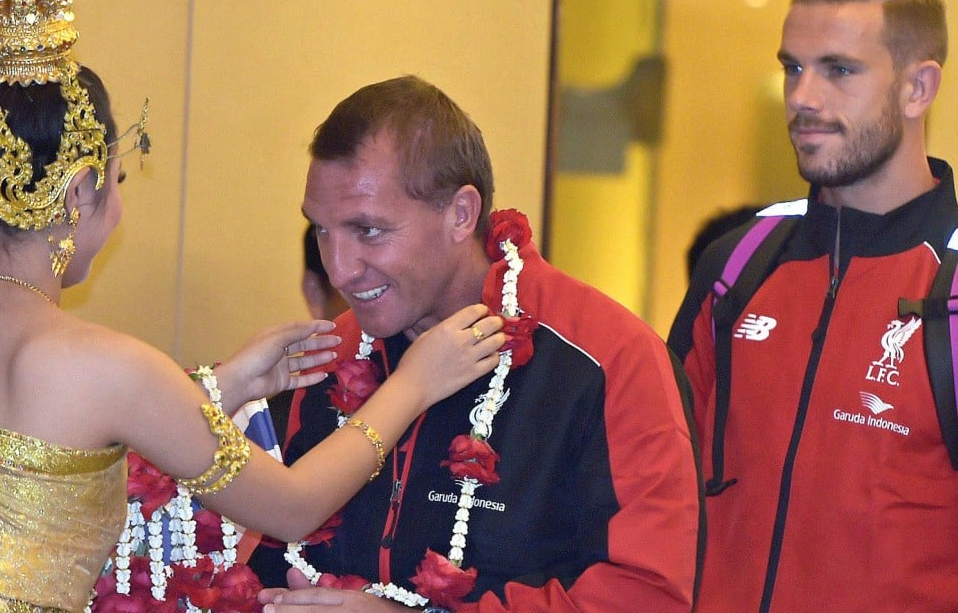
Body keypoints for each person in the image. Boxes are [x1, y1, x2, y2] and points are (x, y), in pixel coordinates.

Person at [0, 0, 505, 611]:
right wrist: (413, 384)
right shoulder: (104, 364)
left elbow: (62, 436)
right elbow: (292, 507)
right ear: (79, 192)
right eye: (118, 181)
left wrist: (225, 382)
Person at [250, 75, 701, 612]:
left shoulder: (609, 360)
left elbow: (646, 596)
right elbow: (255, 552)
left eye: (367, 230)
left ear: (461, 214)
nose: (340, 271)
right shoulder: (331, 355)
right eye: (322, 230)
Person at [668, 0, 958, 611]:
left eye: (839, 71)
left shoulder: (951, 287)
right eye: (793, 68)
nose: (802, 97)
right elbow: (655, 490)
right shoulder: (738, 263)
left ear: (918, 88)